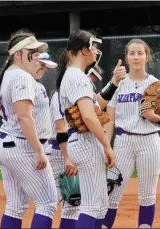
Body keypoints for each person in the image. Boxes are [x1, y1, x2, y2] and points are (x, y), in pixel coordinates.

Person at [0, 29, 57, 229]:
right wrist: (38, 150)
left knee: (15, 206)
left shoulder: (9, 74)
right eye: (33, 52)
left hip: (6, 142)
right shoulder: (22, 77)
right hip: (22, 146)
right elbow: (24, 116)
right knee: (47, 203)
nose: (37, 56)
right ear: (18, 54)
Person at [47, 60, 125, 229]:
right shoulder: (59, 96)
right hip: (61, 150)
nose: (93, 81)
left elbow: (97, 104)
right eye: (91, 76)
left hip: (77, 146)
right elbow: (60, 128)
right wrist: (68, 158)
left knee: (91, 205)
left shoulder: (82, 94)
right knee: (73, 206)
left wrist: (114, 83)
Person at [56, 29, 118, 229]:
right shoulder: (76, 76)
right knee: (92, 206)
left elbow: (95, 107)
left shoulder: (74, 75)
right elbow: (90, 117)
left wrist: (114, 83)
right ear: (83, 50)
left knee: (100, 205)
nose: (95, 53)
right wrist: (107, 145)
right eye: (93, 48)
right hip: (85, 141)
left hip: (83, 141)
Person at [101, 38, 160, 229]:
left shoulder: (157, 84)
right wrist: (107, 146)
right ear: (126, 58)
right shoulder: (118, 83)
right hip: (123, 142)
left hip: (150, 141)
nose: (136, 57)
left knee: (147, 195)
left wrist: (155, 117)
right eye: (132, 53)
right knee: (111, 193)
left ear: (147, 57)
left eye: (140, 53)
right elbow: (109, 118)